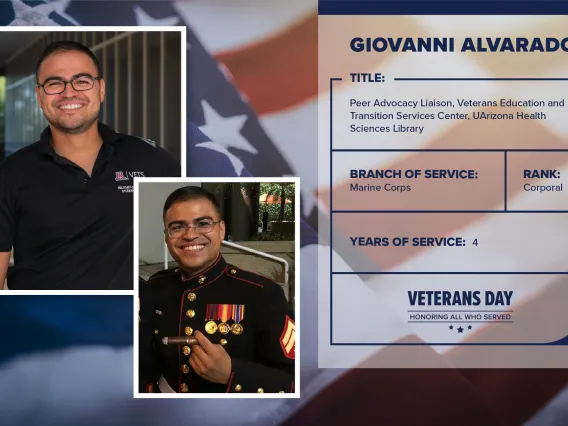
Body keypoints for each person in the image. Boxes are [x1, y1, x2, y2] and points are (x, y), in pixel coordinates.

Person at [0, 40, 180, 290]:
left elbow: (188, 221)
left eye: (82, 81)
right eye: (54, 83)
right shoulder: (11, 174)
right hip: (43, 323)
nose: (69, 92)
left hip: (123, 323)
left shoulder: (148, 158)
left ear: (101, 89)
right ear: (40, 96)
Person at [139, 186, 295, 393]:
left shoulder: (262, 293)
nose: (190, 235)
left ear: (221, 230)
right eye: (177, 227)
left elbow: (295, 381)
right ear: (167, 236)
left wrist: (232, 373)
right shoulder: (157, 285)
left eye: (203, 224)